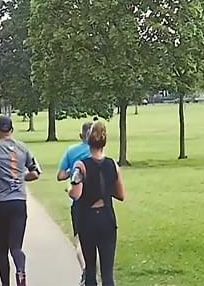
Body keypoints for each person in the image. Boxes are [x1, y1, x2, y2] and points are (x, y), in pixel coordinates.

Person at [0, 115, 41, 286]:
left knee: (2, 250)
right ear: (11, 130)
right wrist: (20, 177)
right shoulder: (23, 148)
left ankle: (6, 284)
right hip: (19, 202)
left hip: (0, 203)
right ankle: (21, 273)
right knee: (16, 247)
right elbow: (35, 173)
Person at [69, 121, 126, 286]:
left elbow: (76, 194)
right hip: (107, 219)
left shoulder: (81, 166)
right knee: (107, 273)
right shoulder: (113, 165)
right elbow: (121, 195)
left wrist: (70, 188)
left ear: (88, 140)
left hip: (88, 220)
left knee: (91, 270)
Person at [57, 122, 93, 285]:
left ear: (81, 135)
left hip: (78, 203)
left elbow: (61, 175)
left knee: (81, 241)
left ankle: (86, 270)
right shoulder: (98, 154)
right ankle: (92, 275)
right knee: (97, 244)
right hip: (98, 203)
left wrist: (72, 171)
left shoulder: (72, 151)